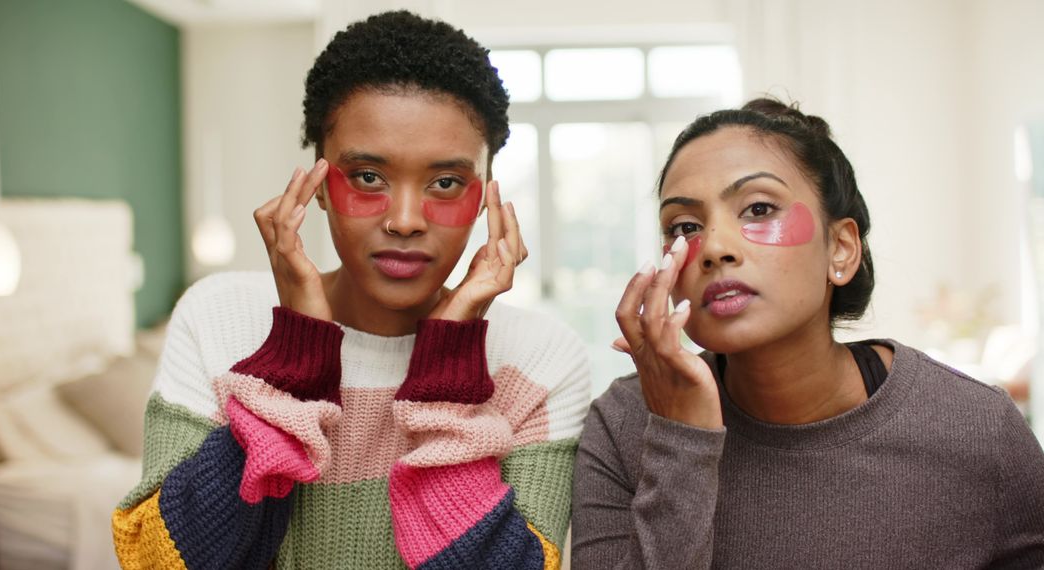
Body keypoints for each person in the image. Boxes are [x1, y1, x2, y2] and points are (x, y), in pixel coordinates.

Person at [112, 11, 589, 569]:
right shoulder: (218, 318)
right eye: (368, 176)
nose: (406, 220)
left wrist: (450, 367)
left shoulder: (539, 362)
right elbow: (155, 562)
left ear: (485, 193)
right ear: (318, 182)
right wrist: (296, 357)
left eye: (445, 182)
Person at [571, 98, 1044, 568]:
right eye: (686, 225)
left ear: (840, 250)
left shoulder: (977, 430)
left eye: (758, 208)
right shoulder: (625, 425)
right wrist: (681, 437)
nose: (714, 246)